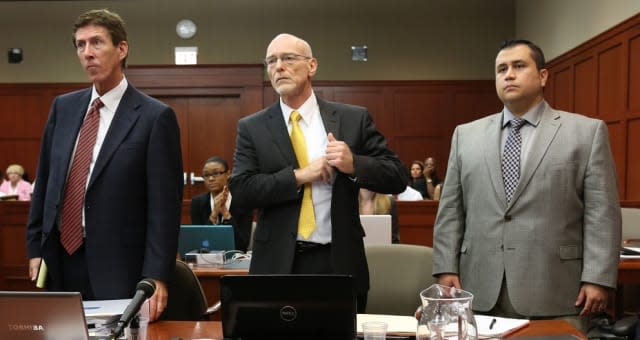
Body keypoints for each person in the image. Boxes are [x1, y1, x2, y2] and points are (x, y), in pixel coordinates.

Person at [432, 39, 621, 332]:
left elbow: (602, 213)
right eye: (501, 69)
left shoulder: (586, 133)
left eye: (519, 66)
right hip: (478, 287)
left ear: (543, 76)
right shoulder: (465, 135)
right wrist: (445, 268)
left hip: (556, 289)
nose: (509, 74)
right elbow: (451, 211)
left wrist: (597, 277)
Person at [228, 33, 408, 313]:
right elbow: (241, 190)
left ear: (312, 66)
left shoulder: (352, 118)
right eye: (271, 61)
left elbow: (397, 174)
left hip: (338, 262)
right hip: (277, 264)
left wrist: (354, 164)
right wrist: (300, 175)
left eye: (288, 58)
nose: (278, 67)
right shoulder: (253, 127)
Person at [26, 9, 183, 322]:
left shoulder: (154, 117)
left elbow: (164, 208)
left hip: (120, 266)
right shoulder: (63, 108)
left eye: (96, 43)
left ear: (121, 49)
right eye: (80, 45)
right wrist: (35, 247)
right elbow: (45, 182)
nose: (87, 53)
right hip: (60, 261)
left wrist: (157, 275)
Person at [190, 156, 253, 252]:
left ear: (228, 174)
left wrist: (225, 213)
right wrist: (214, 213)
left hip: (235, 260)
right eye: (206, 175)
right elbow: (200, 244)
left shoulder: (243, 201)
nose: (211, 179)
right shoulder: (197, 203)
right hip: (206, 261)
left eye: (216, 173)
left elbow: (242, 245)